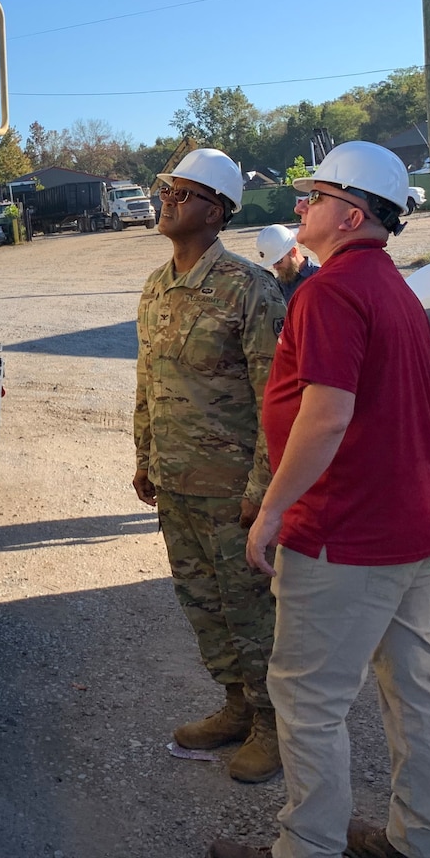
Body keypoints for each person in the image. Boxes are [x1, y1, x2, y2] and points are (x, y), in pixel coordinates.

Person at [209, 142, 430, 858]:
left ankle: (307, 848)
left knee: (307, 702)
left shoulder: (330, 291)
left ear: (349, 214)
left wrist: (276, 509)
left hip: (347, 535)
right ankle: (420, 842)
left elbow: (327, 414)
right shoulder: (395, 289)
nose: (300, 208)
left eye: (312, 198)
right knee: (416, 693)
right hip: (410, 530)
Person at [132, 147, 288, 784]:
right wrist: (144, 457)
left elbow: (277, 396)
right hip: (177, 485)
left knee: (252, 611)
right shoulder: (156, 286)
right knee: (204, 605)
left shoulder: (249, 288)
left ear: (217, 212)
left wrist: (263, 489)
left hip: (234, 495)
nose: (168, 199)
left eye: (185, 193)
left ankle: (276, 726)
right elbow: (148, 380)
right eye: (167, 188)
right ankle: (235, 706)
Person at [254, 224, 319, 302]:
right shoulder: (276, 286)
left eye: (278, 261)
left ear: (293, 252)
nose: (275, 267)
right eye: (273, 262)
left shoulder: (321, 278)